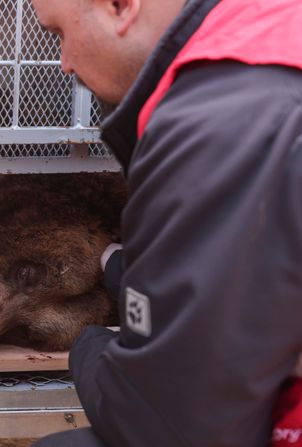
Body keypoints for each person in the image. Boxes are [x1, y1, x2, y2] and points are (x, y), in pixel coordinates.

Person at [27, 0, 302, 446]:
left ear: (120, 6)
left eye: (59, 34)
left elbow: (160, 424)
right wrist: (128, 276)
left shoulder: (214, 124)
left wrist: (88, 345)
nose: (64, 63)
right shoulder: (269, 43)